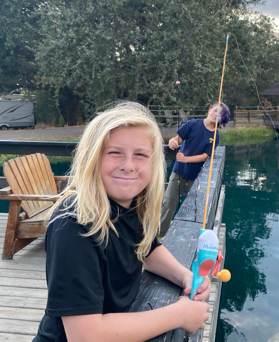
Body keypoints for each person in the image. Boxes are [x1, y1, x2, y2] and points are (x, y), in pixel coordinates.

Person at [33, 102, 211, 342]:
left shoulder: (130, 204)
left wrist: (185, 276)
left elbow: (147, 249)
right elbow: (85, 336)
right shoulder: (73, 226)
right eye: (114, 153)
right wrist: (179, 315)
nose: (128, 166)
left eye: (140, 155)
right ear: (92, 157)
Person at [160, 102, 231, 237]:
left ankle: (189, 234)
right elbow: (177, 138)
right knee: (169, 201)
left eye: (221, 114)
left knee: (194, 206)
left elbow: (205, 156)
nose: (216, 114)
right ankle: (161, 232)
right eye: (215, 110)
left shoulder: (216, 136)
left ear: (222, 119)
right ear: (209, 110)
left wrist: (185, 159)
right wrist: (172, 142)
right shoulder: (193, 124)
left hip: (198, 176)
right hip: (178, 171)